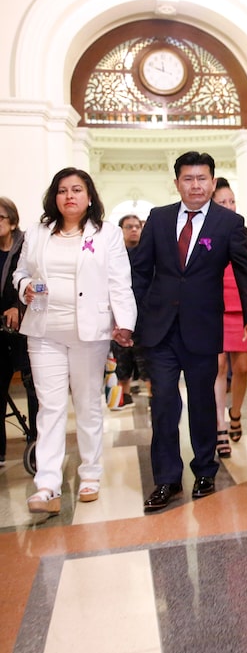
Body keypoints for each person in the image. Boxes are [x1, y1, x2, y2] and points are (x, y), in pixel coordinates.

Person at [131, 151, 247, 512]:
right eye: (188, 179)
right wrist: (137, 319)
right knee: (164, 406)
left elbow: (244, 272)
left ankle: (205, 470)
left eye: (202, 178)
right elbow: (141, 272)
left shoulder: (228, 223)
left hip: (203, 328)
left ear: (212, 180)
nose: (195, 185)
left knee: (203, 403)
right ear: (177, 183)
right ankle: (167, 479)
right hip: (160, 330)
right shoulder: (158, 219)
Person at [13, 168, 136, 513]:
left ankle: (90, 475)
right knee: (50, 408)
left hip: (89, 331)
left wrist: (124, 323)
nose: (69, 196)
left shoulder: (107, 234)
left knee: (86, 404)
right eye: (63, 190)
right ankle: (47, 484)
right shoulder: (38, 233)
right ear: (54, 197)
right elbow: (20, 273)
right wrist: (25, 287)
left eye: (77, 189)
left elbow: (119, 281)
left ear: (89, 196)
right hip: (44, 330)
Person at [211, 178, 247, 458]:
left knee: (240, 369)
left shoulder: (244, 232)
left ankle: (236, 412)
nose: (229, 206)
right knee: (217, 367)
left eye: (232, 201)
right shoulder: (207, 232)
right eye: (222, 202)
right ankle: (220, 426)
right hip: (215, 308)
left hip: (241, 310)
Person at [0, 197, 39, 468]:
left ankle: (38, 445)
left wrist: (17, 305)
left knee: (35, 388)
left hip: (25, 326)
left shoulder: (28, 245)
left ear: (12, 221)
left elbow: (36, 279)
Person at [108, 214, 148, 409]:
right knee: (121, 360)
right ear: (121, 230)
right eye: (129, 226)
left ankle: (152, 396)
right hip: (120, 316)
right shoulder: (115, 253)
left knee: (146, 361)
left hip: (145, 316)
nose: (133, 230)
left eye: (137, 226)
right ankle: (122, 396)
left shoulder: (148, 253)